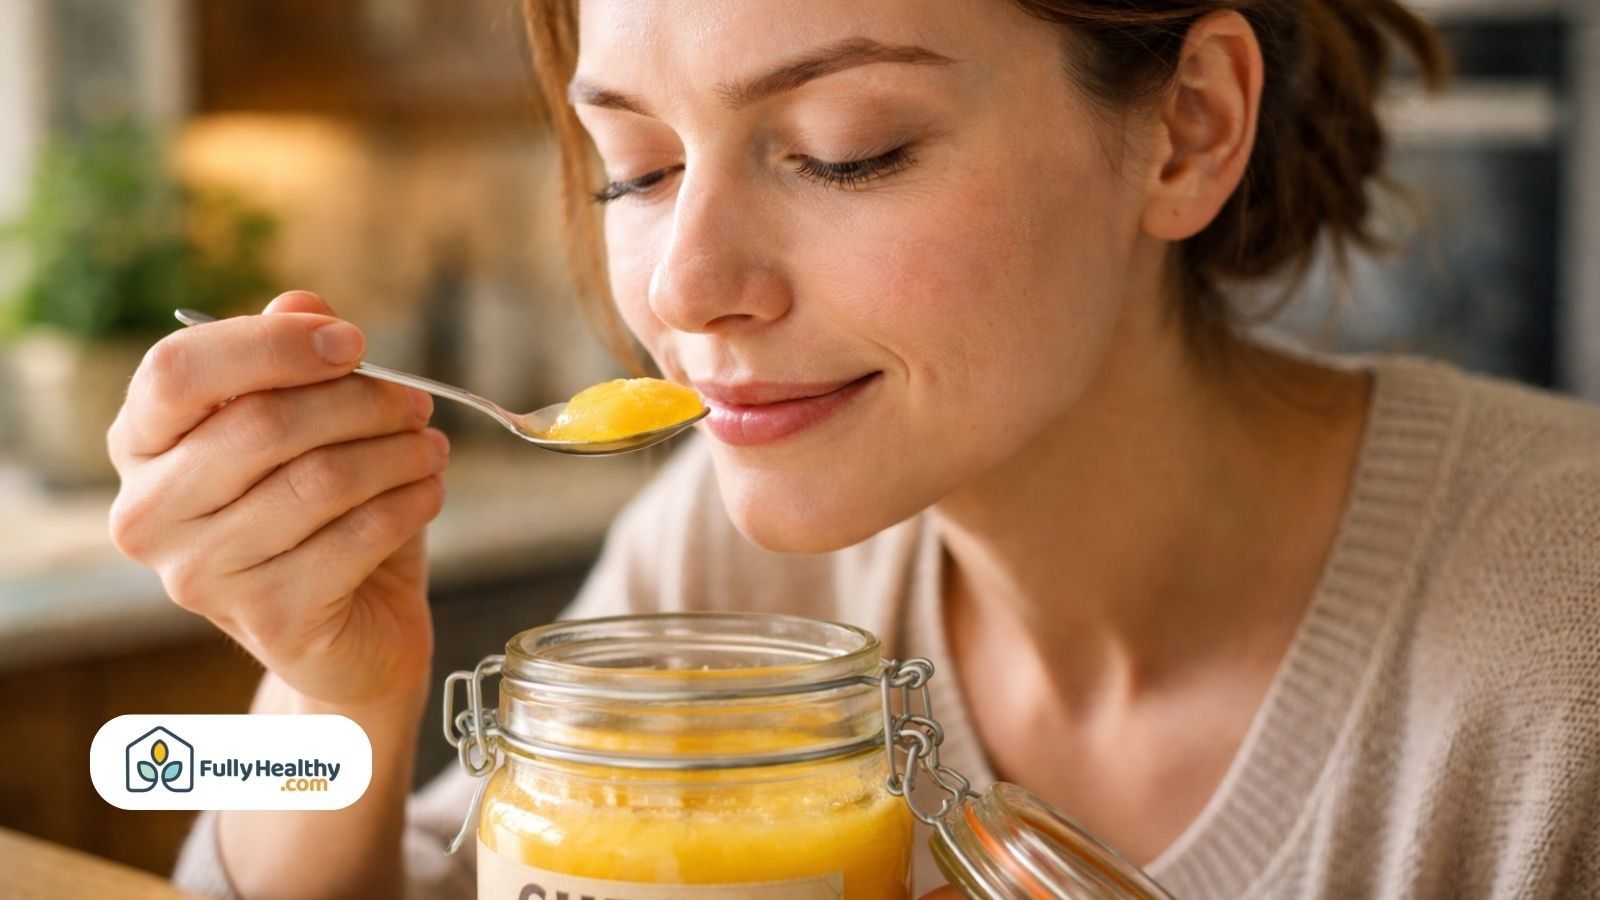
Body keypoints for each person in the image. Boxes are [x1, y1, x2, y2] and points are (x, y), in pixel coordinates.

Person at [108, 0, 1599, 897]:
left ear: (1187, 129)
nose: (686, 291)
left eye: (846, 146)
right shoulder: (725, 550)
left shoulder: (1559, 648)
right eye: (637, 167)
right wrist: (328, 698)